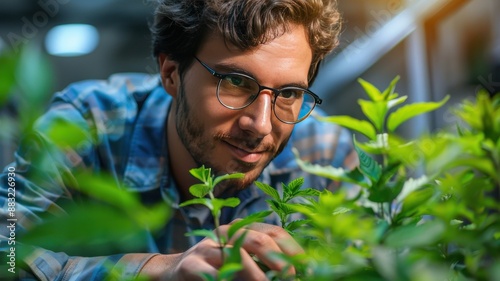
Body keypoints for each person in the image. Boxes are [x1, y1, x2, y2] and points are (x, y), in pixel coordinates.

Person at [0, 0, 356, 280]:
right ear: (171, 72)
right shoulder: (84, 125)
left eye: (290, 92)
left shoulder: (325, 153)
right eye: (234, 83)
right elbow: (7, 254)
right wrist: (159, 270)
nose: (261, 125)